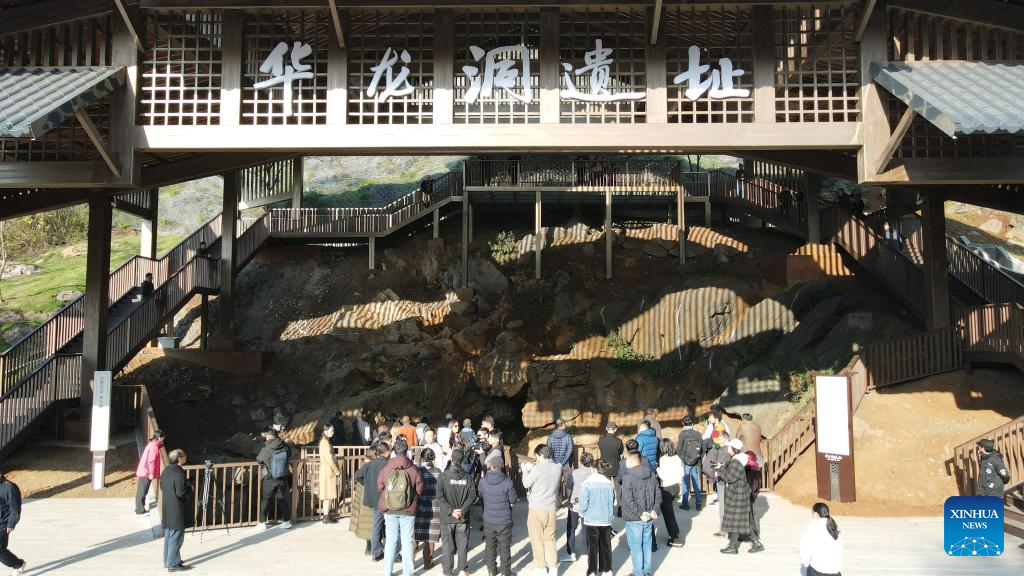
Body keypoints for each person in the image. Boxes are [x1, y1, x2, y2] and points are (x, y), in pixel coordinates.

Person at [377, 437, 424, 576]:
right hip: (408, 509)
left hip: (389, 508)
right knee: (407, 541)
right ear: (407, 451)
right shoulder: (414, 469)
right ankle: (408, 572)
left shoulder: (386, 468)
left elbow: (380, 486)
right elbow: (420, 489)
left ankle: (387, 571)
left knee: (390, 541)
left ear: (394, 451)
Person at [522, 444, 563, 576]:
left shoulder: (537, 468)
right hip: (551, 508)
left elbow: (526, 483)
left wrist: (525, 470)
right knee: (550, 539)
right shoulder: (557, 468)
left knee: (536, 539)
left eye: (537, 456)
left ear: (541, 455)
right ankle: (553, 567)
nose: (536, 459)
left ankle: (541, 567)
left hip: (537, 507)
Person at [719, 439, 763, 554]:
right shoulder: (736, 460)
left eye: (729, 447)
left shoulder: (736, 462)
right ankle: (756, 544)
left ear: (734, 449)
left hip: (737, 495)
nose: (728, 449)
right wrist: (722, 466)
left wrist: (719, 470)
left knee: (736, 521)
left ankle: (733, 547)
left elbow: (729, 478)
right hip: (740, 494)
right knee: (744, 521)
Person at [438, 448, 477, 576]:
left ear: (451, 459)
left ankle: (448, 571)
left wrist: (451, 511)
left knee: (447, 546)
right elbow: (473, 495)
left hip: (447, 517)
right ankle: (463, 569)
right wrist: (462, 510)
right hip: (462, 517)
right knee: (462, 545)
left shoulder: (443, 477)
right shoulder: (468, 477)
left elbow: (439, 496)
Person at [621, 450, 660, 576]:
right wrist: (655, 509)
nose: (625, 462)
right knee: (646, 545)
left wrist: (640, 513)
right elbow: (658, 494)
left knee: (636, 547)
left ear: (632, 461)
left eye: (627, 460)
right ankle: (646, 571)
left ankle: (638, 572)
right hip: (649, 516)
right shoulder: (652, 474)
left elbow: (628, 499)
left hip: (635, 518)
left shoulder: (628, 477)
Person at [479, 458, 517, 576]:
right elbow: (513, 499)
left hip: (488, 519)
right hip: (504, 520)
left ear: (491, 466)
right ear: (502, 467)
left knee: (490, 546)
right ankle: (505, 572)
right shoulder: (507, 482)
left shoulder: (483, 481)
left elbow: (480, 495)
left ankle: (491, 570)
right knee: (504, 547)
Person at [579, 460, 615, 576]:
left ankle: (592, 570)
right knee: (606, 545)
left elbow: (583, 502)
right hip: (605, 519)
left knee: (592, 546)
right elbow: (611, 502)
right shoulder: (608, 484)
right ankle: (607, 569)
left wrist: (582, 513)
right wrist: (610, 516)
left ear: (594, 469)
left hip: (591, 519)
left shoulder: (587, 483)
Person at [356, 442, 392, 560]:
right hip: (387, 499)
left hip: (374, 499)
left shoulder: (370, 464)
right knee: (390, 526)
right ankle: (391, 551)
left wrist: (366, 483)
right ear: (387, 452)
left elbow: (357, 475)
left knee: (376, 526)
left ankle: (376, 552)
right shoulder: (389, 464)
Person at [159, 449, 192, 572]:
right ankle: (173, 564)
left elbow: (162, 486)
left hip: (168, 507)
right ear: (179, 458)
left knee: (169, 535)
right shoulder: (179, 473)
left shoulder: (166, 470)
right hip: (176, 508)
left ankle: (168, 560)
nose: (185, 457)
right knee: (176, 536)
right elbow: (181, 492)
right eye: (184, 455)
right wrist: (190, 487)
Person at [256, 427, 292, 530]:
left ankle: (262, 522)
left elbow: (259, 459)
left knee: (266, 500)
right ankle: (287, 521)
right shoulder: (284, 446)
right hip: (282, 477)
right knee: (282, 499)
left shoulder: (266, 449)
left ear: (268, 436)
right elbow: (289, 454)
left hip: (270, 478)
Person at [565, 452, 595, 562]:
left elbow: (568, 485)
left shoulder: (575, 473)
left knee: (571, 527)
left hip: (574, 503)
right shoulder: (593, 473)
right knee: (586, 528)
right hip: (588, 504)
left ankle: (571, 552)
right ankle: (586, 552)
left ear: (581, 461)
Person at [415, 448, 442, 570]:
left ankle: (410, 566)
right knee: (430, 538)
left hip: (419, 506)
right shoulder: (439, 472)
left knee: (415, 537)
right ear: (434, 458)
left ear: (422, 458)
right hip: (435, 508)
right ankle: (427, 563)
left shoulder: (418, 471)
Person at [702, 431, 732, 537]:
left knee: (723, 505)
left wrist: (713, 465)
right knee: (725, 504)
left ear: (724, 439)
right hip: (725, 480)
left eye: (719, 439)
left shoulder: (726, 450)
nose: (718, 441)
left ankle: (724, 529)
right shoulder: (730, 449)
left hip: (723, 480)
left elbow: (721, 465)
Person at [800, 503, 843, 576]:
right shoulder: (834, 526)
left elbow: (805, 549)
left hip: (818, 571)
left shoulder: (813, 526)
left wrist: (806, 564)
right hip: (836, 571)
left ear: (816, 514)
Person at [656, 439, 683, 548]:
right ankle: (673, 534)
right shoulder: (678, 458)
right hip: (675, 486)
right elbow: (681, 473)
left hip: (666, 488)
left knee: (668, 514)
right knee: (669, 512)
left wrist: (657, 469)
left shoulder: (663, 459)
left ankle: (675, 537)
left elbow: (663, 476)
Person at [0, 472, 26, 576]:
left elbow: (15, 507)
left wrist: (11, 523)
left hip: (3, 522)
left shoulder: (9, 487)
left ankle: (18, 564)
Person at [677, 416, 703, 511]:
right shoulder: (698, 434)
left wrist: (684, 459)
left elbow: (679, 450)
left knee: (685, 483)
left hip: (686, 463)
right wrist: (698, 458)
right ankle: (698, 504)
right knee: (696, 483)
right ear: (692, 424)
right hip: (695, 463)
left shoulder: (682, 434)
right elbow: (702, 448)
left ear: (682, 423)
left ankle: (685, 504)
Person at [135, 429, 164, 515]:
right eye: (163, 438)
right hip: (146, 472)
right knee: (143, 491)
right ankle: (140, 510)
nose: (163, 440)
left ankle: (139, 508)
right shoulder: (153, 447)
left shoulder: (152, 445)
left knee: (142, 490)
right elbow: (151, 461)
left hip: (144, 471)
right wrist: (151, 473)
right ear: (159, 438)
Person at [318, 423, 342, 523]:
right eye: (331, 430)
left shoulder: (326, 440)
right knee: (327, 494)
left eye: (333, 430)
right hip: (328, 471)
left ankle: (327, 515)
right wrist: (337, 470)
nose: (333, 432)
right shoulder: (325, 442)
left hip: (327, 470)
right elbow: (329, 458)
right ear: (325, 431)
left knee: (329, 494)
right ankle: (326, 516)